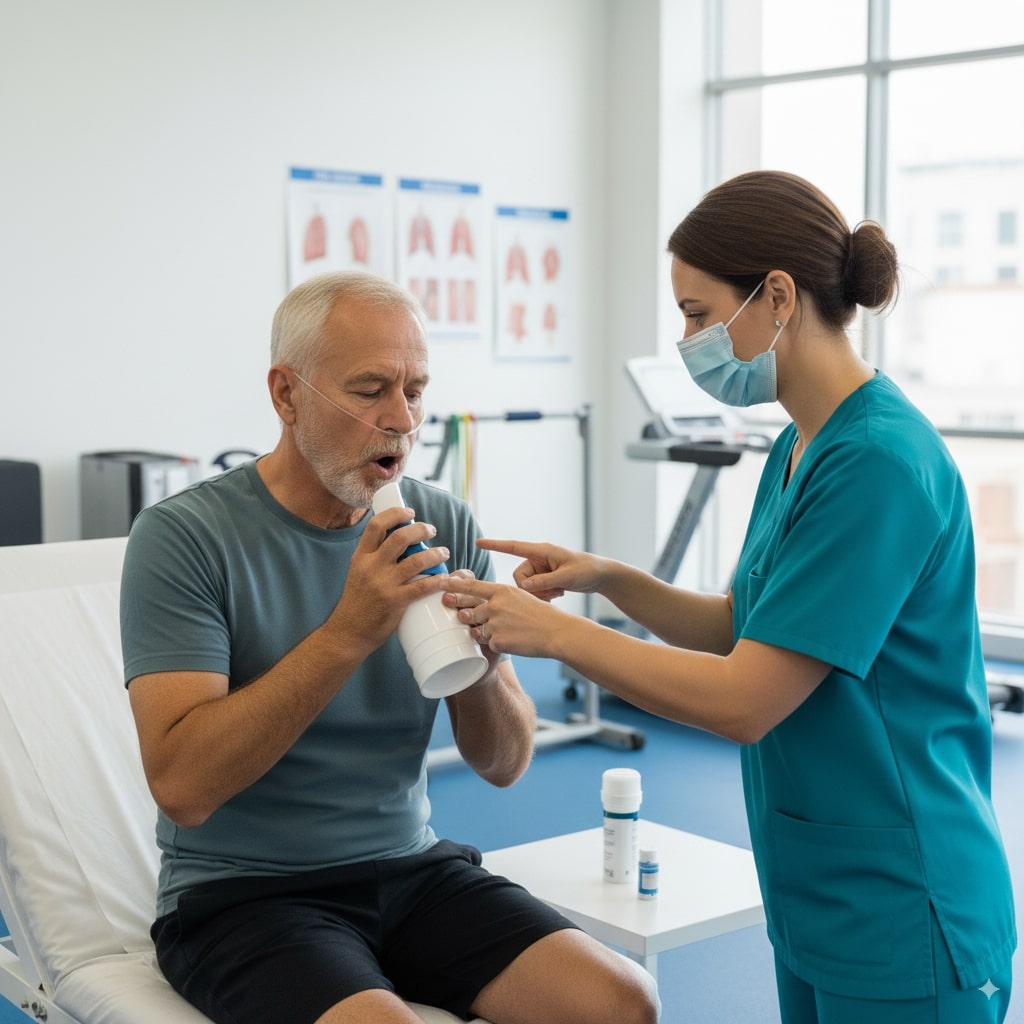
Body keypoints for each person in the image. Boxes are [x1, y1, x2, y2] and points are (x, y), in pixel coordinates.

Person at [439, 171, 1017, 1024]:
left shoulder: (876, 464)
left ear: (777, 296)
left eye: (699, 315)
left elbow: (747, 701)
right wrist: (607, 580)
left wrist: (555, 638)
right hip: (820, 885)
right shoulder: (799, 446)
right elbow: (746, 627)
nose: (688, 340)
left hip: (905, 901)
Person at [120, 270, 659, 1024]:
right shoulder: (183, 539)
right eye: (371, 389)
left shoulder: (439, 519)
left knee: (621, 1002)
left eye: (416, 390)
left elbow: (504, 766)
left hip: (411, 869)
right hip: (245, 894)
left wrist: (479, 658)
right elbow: (182, 787)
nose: (403, 420)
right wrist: (350, 629)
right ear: (286, 395)